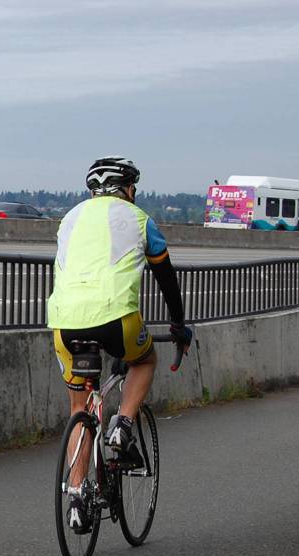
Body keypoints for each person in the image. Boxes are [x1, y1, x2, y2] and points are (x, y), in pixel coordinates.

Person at [47, 156, 193, 534]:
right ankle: (123, 425)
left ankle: (76, 497)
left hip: (64, 322)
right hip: (117, 320)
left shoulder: (70, 219)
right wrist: (178, 324)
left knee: (80, 406)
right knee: (144, 361)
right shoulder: (140, 219)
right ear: (127, 188)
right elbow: (165, 277)